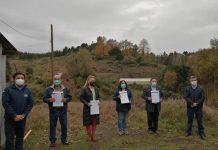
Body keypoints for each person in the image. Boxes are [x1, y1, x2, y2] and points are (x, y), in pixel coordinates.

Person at [2, 72, 34, 150]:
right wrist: (14, 115)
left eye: (22, 78)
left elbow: (30, 104)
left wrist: (23, 115)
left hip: (22, 119)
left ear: (24, 80)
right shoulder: (8, 90)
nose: (20, 79)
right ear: (14, 79)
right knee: (9, 139)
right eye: (18, 78)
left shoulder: (28, 91)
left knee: (20, 139)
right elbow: (6, 104)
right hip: (10, 119)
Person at [43, 74, 72, 147]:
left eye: (58, 79)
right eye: (55, 79)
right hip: (53, 111)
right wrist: (49, 100)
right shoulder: (48, 89)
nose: (57, 80)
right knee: (52, 126)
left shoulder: (65, 89)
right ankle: (52, 141)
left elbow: (70, 97)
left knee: (64, 126)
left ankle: (64, 139)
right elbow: (44, 99)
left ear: (60, 80)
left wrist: (65, 99)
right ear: (53, 80)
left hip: (63, 110)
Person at [184, 76, 206, 140]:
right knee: (190, 120)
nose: (194, 81)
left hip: (199, 107)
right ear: (190, 81)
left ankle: (201, 133)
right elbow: (186, 96)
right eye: (192, 80)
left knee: (200, 120)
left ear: (197, 81)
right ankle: (188, 132)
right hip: (190, 107)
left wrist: (197, 103)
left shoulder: (201, 88)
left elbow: (203, 97)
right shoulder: (187, 88)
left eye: (195, 80)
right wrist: (192, 103)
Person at [80, 75, 100, 142]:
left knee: (94, 121)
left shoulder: (96, 88)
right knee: (88, 122)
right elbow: (81, 98)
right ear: (88, 81)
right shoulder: (84, 89)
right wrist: (87, 103)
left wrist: (98, 101)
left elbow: (98, 97)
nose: (92, 81)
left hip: (95, 107)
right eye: (91, 80)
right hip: (87, 107)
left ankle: (93, 135)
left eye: (93, 80)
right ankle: (89, 135)